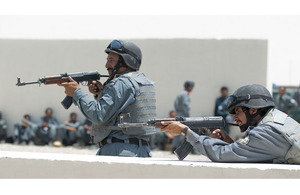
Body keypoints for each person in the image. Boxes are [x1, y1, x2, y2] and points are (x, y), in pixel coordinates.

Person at [58, 40, 156, 157]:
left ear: (125, 61)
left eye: (111, 60)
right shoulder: (142, 80)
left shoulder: (121, 83)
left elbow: (98, 115)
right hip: (141, 151)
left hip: (119, 151)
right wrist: (100, 94)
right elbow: (123, 110)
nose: (106, 65)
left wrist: (77, 92)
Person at [161, 84, 300, 164]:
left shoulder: (266, 133)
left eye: (238, 112)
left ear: (253, 110)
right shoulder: (276, 120)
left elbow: (221, 154)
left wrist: (186, 132)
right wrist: (228, 141)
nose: (235, 119)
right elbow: (253, 150)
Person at [172, 81, 194, 152]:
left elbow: (175, 103)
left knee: (177, 130)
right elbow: (185, 105)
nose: (192, 88)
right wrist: (188, 115)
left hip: (179, 114)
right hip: (184, 115)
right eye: (191, 86)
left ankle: (174, 147)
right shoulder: (185, 94)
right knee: (184, 131)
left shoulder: (180, 93)